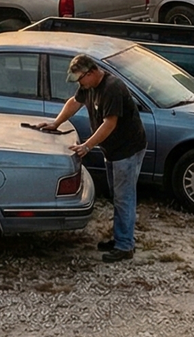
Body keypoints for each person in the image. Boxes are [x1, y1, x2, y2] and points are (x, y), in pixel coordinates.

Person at [40, 53, 147, 262]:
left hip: (127, 150)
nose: (79, 84)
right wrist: (56, 123)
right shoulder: (89, 87)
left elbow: (110, 123)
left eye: (80, 79)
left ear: (91, 73)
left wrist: (87, 146)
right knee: (118, 197)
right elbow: (74, 102)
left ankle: (125, 246)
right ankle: (120, 238)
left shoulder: (112, 88)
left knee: (124, 198)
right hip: (112, 150)